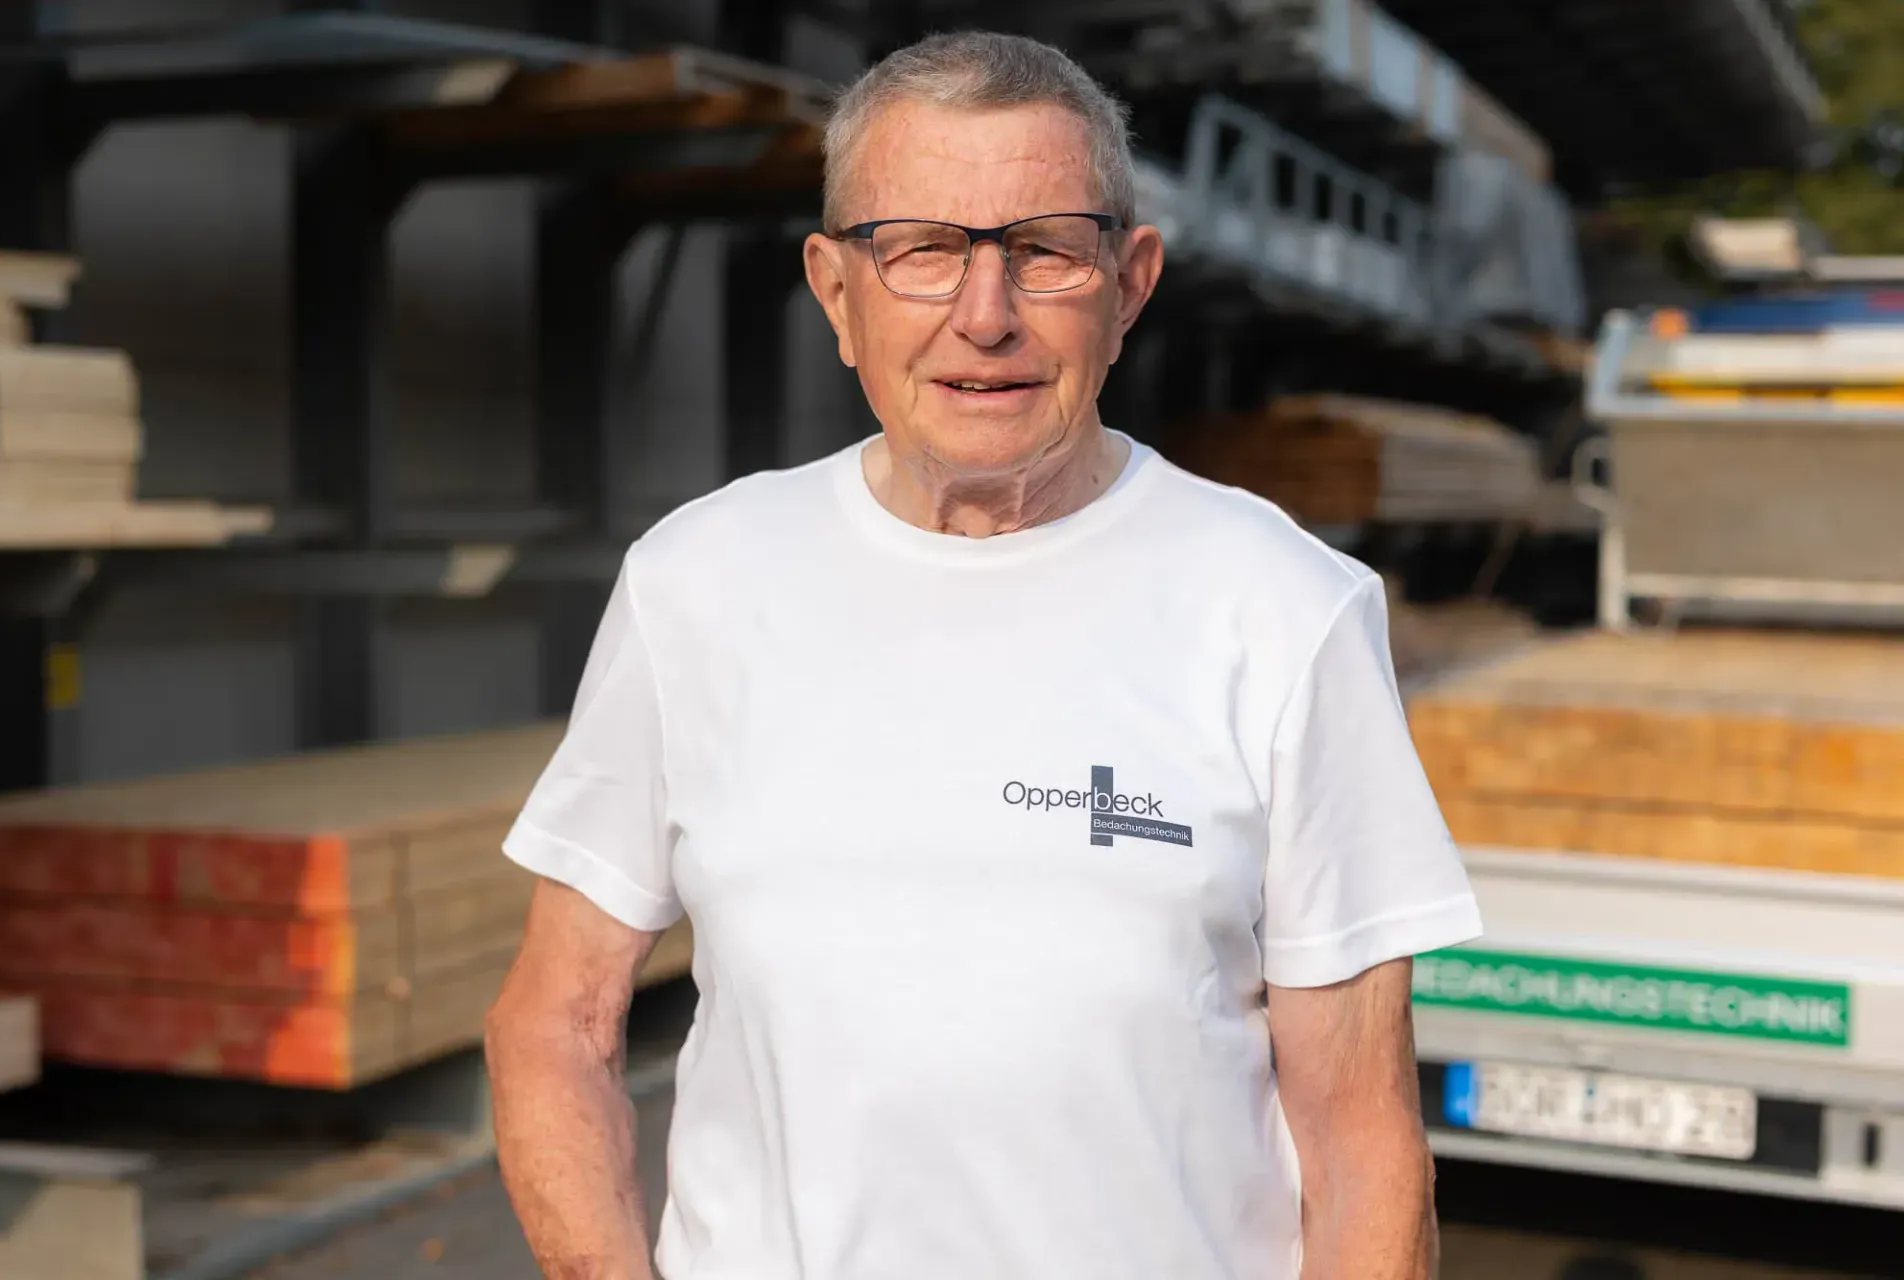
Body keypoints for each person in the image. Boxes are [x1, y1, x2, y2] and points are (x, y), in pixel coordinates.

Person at [486, 28, 1482, 1280]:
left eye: (1046, 253)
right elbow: (554, 1023)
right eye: (921, 252)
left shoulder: (1284, 608)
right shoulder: (698, 581)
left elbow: (1363, 1140)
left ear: (1131, 283)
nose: (985, 316)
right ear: (836, 291)